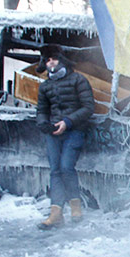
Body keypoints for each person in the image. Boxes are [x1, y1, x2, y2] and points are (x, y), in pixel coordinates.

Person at [36, 44, 95, 229]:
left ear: (61, 60)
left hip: (74, 130)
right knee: (55, 170)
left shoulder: (78, 80)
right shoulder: (45, 86)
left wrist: (67, 122)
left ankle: (75, 208)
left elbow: (88, 107)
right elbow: (41, 111)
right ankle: (56, 214)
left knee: (66, 167)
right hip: (52, 132)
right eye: (47, 60)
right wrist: (44, 124)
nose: (51, 62)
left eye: (53, 58)